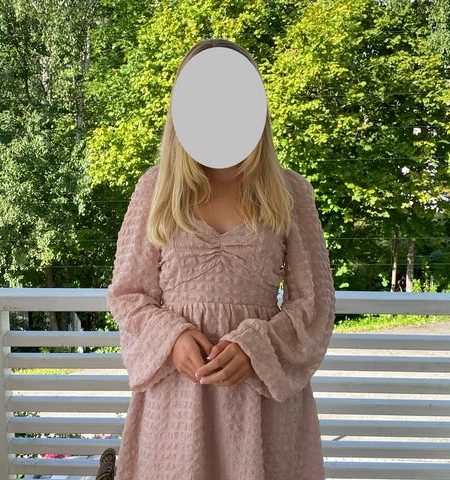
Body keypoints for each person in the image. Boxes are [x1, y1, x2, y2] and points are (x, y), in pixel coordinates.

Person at [107, 38, 336, 480]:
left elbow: (315, 305)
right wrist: (172, 338)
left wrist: (256, 348)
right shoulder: (156, 189)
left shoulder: (290, 192)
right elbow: (127, 293)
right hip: (177, 399)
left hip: (263, 399)